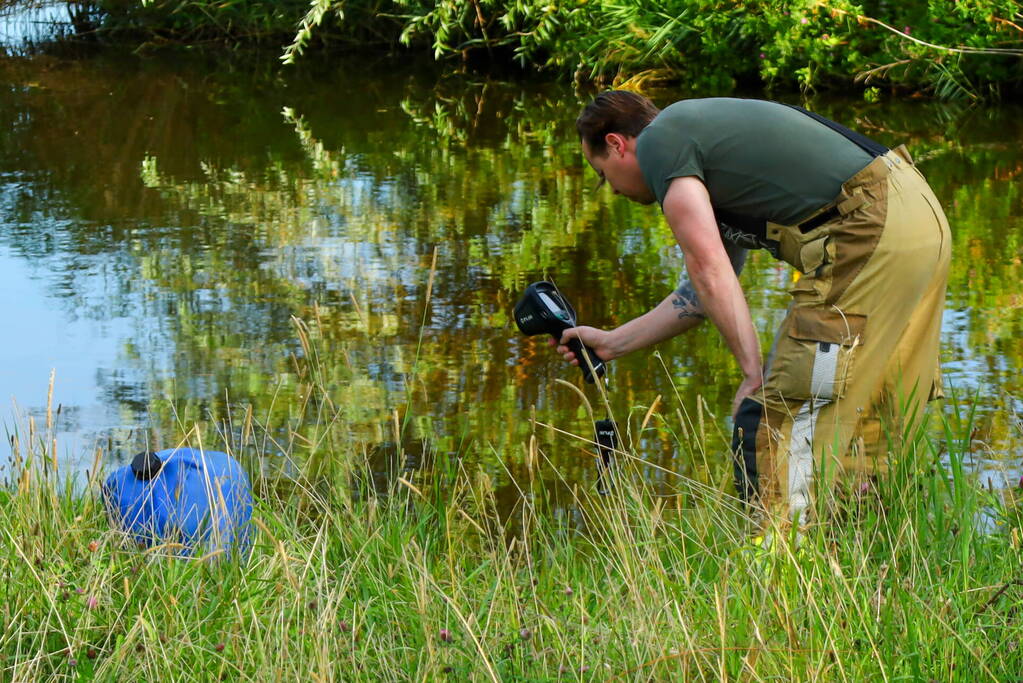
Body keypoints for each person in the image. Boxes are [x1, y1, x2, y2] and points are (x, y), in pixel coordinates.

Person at [554, 91, 950, 527]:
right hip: (918, 215)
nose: (611, 188)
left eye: (603, 174)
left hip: (867, 224)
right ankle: (862, 552)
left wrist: (752, 374)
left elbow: (708, 268)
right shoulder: (699, 143)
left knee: (772, 415)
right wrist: (612, 343)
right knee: (869, 406)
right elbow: (704, 291)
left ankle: (779, 562)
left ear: (616, 144)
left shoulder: (659, 141)